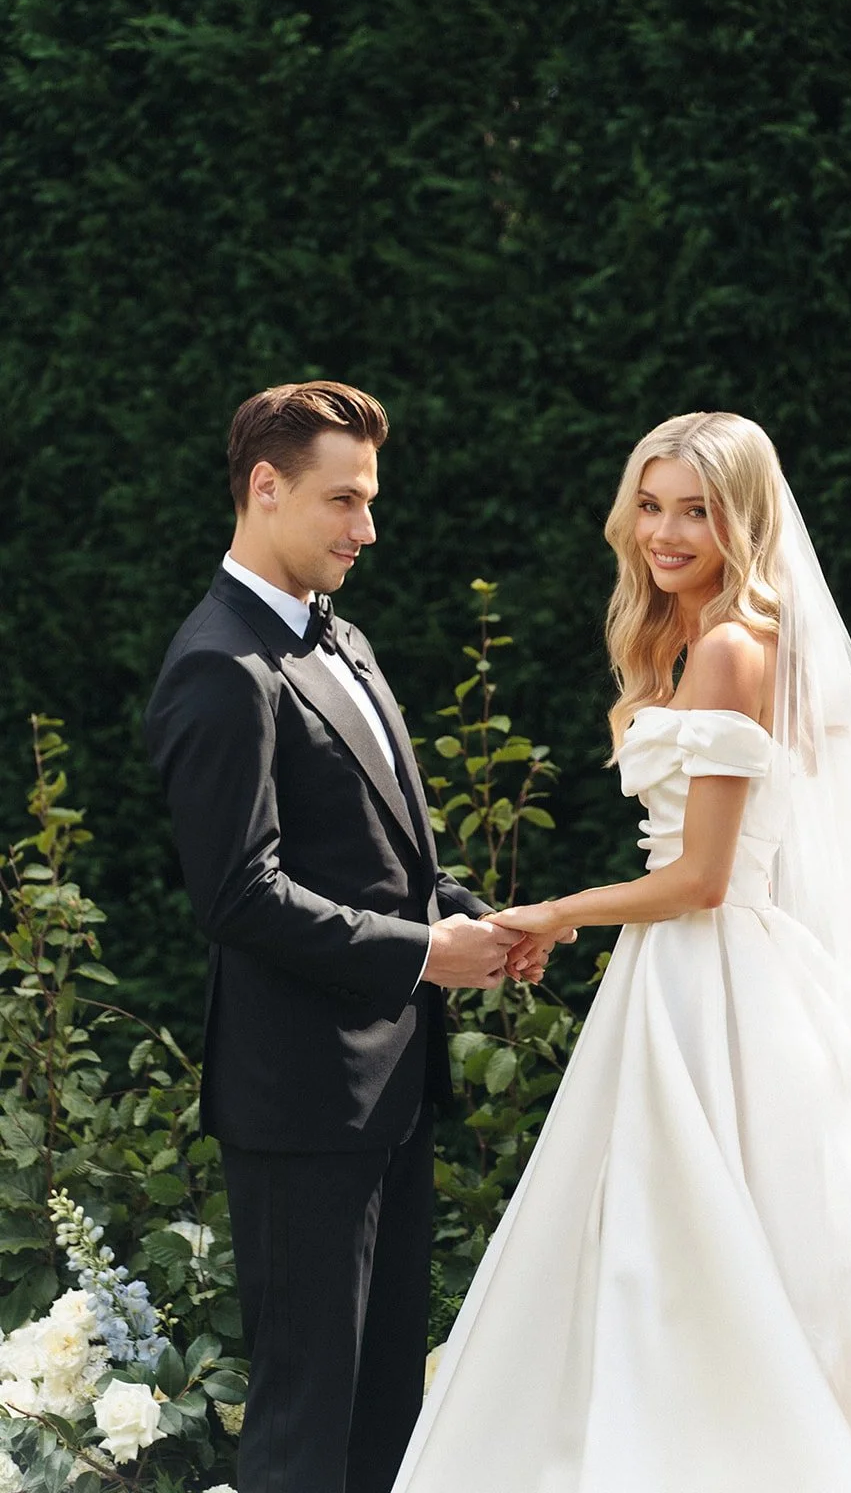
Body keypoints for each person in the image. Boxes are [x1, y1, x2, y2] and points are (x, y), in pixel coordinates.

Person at [391, 412, 851, 1492]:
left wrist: (559, 912)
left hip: (713, 969)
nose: (663, 531)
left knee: (712, 1231)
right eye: (650, 504)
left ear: (738, 517)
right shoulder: (695, 635)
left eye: (694, 510)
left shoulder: (727, 647)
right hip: (683, 972)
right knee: (674, 1236)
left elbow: (703, 876)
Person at [144, 381, 558, 1493]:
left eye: (369, 501)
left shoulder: (343, 636)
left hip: (389, 1086)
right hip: (299, 1105)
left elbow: (378, 855)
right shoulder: (219, 667)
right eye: (343, 500)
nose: (365, 528)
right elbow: (237, 895)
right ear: (264, 487)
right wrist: (422, 954)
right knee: (305, 1418)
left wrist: (463, 909)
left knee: (384, 1408)